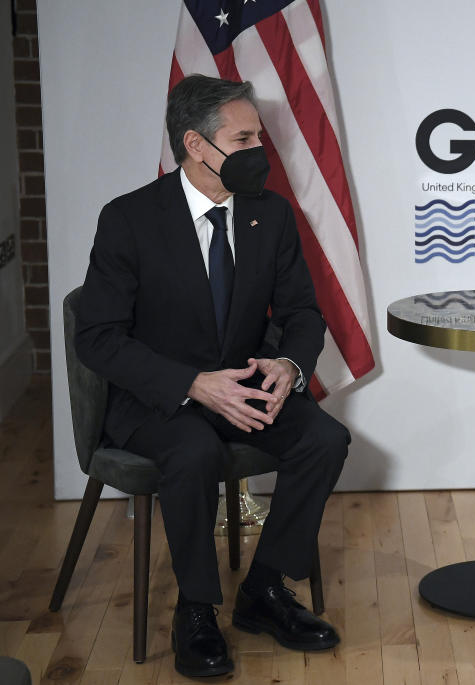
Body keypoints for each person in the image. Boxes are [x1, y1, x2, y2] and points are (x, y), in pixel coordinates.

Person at [76, 75, 351, 678]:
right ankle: (196, 610)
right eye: (244, 138)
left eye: (260, 136)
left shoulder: (270, 215)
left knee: (325, 439)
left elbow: (303, 312)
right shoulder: (128, 219)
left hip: (246, 384)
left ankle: (264, 589)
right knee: (195, 449)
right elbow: (96, 336)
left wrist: (289, 364)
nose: (259, 151)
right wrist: (192, 384)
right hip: (158, 399)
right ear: (196, 146)